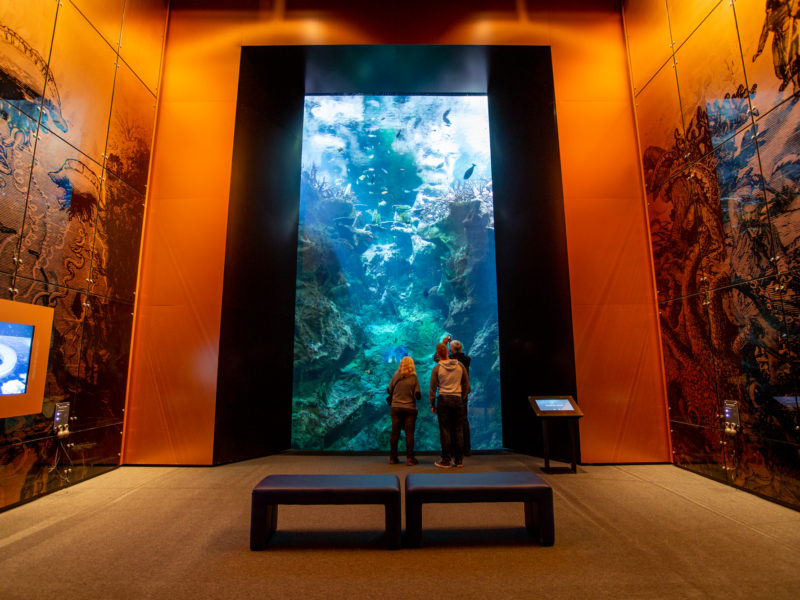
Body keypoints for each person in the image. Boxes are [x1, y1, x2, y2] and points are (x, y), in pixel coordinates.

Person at [429, 343, 470, 468]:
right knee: (458, 429)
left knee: (445, 430)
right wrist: (462, 397)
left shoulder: (437, 368)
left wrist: (432, 404)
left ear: (438, 354)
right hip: (457, 399)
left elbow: (432, 388)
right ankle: (459, 460)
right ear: (448, 352)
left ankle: (446, 460)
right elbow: (466, 385)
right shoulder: (460, 366)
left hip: (443, 400)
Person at [386, 356, 422, 465]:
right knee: (409, 434)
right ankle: (410, 459)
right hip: (409, 408)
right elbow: (418, 395)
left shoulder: (396, 375)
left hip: (396, 408)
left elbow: (389, 390)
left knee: (395, 433)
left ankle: (393, 458)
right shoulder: (413, 377)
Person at [447, 339, 472, 456]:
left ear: (451, 349)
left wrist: (444, 344)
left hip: (454, 392)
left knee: (452, 421)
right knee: (463, 420)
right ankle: (466, 449)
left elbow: (437, 358)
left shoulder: (451, 360)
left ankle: (453, 449)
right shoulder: (467, 360)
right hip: (464, 393)